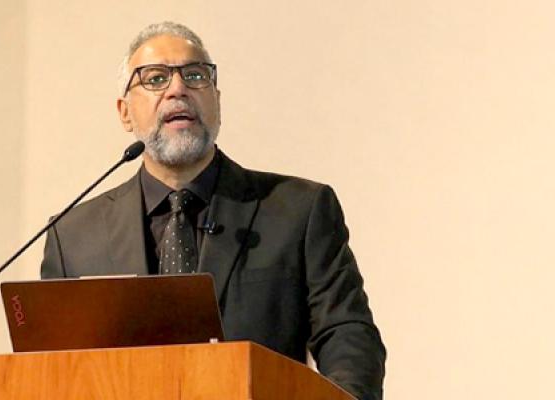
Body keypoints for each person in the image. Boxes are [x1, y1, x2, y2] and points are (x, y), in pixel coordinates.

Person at [41, 21, 386, 400]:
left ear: (217, 100)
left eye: (194, 75)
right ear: (125, 112)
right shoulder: (72, 238)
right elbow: (52, 371)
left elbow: (347, 335)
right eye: (155, 78)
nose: (177, 89)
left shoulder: (299, 210)